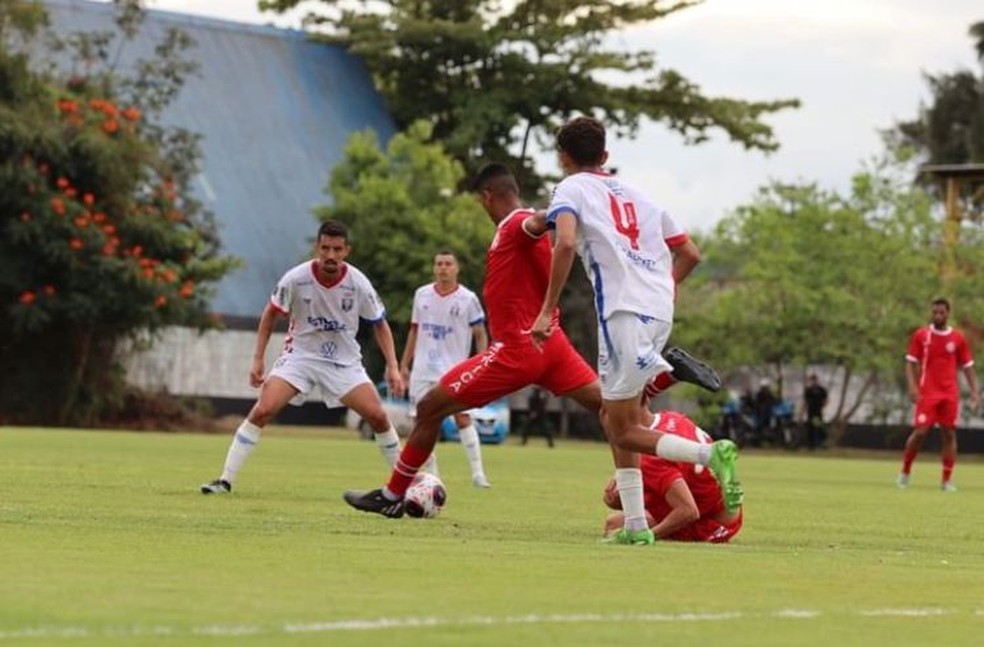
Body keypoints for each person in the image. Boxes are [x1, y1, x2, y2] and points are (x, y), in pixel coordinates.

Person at [343, 164, 729, 530]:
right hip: (553, 347)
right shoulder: (521, 227)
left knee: (428, 407)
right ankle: (665, 385)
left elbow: (535, 221)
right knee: (615, 410)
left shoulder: (515, 223)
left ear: (486, 197)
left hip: (518, 349)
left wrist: (567, 208)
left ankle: (392, 494)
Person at [529, 115, 741, 545]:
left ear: (563, 158)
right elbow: (690, 253)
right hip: (657, 312)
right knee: (613, 414)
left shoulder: (569, 188)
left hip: (622, 312)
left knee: (622, 427)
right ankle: (636, 526)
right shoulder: (642, 195)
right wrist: (662, 292)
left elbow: (565, 242)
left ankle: (709, 454)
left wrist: (546, 309)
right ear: (605, 156)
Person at [200, 220, 406, 494]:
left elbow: (380, 324)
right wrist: (258, 359)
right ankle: (224, 480)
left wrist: (392, 366)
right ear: (317, 248)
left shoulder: (359, 284)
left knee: (379, 417)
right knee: (263, 410)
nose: (330, 255)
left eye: (337, 249)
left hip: (343, 363)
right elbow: (270, 313)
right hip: (300, 358)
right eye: (325, 248)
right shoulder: (295, 278)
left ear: (347, 251)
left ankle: (403, 486)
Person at [401, 249, 492, 487]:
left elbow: (480, 333)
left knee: (462, 417)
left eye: (448, 263)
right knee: (421, 422)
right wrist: (404, 365)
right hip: (422, 369)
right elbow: (414, 330)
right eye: (439, 263)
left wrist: (482, 362)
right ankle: (433, 476)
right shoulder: (421, 295)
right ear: (434, 268)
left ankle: (477, 473)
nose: (443, 268)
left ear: (456, 268)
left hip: (454, 369)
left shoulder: (468, 298)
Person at [602, 410, 743, 543]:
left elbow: (688, 511)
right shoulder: (670, 417)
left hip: (712, 523)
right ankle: (709, 455)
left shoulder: (649, 460)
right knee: (622, 505)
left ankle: (709, 455)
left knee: (614, 524)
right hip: (724, 509)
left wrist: (650, 535)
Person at [897, 298, 980, 491]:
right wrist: (912, 386)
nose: (937, 316)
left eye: (941, 313)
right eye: (934, 312)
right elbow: (910, 361)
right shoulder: (922, 335)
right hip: (927, 393)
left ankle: (946, 479)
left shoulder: (957, 338)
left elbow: (968, 367)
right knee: (920, 432)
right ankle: (905, 472)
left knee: (949, 433)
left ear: (948, 313)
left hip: (949, 393)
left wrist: (975, 392)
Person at [801, 374, 829, 450]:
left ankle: (818, 444)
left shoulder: (821, 390)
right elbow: (805, 402)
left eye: (814, 380)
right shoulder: (808, 390)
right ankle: (811, 445)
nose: (813, 382)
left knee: (817, 427)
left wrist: (821, 407)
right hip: (810, 412)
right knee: (810, 428)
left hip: (817, 412)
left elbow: (825, 400)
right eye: (811, 380)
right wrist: (803, 411)